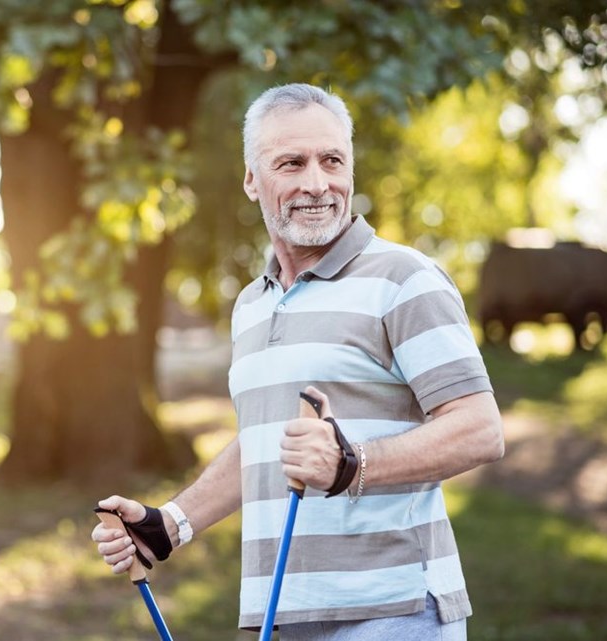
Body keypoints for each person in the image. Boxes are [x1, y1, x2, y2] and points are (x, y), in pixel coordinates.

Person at [91, 83, 504, 640]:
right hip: (286, 617)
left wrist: (352, 463)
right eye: (292, 163)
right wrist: (171, 524)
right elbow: (266, 442)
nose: (317, 183)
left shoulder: (406, 279)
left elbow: (479, 429)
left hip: (395, 612)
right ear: (251, 180)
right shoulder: (252, 305)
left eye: (332, 160)